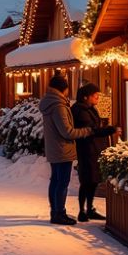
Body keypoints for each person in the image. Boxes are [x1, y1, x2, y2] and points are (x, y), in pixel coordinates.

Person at [40, 75, 99, 225]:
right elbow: (67, 132)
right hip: (62, 148)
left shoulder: (51, 102)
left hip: (55, 148)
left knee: (56, 180)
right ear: (63, 89)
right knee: (62, 182)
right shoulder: (58, 106)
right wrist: (87, 131)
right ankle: (59, 213)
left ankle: (56, 211)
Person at [71, 83, 119, 222]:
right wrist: (110, 129)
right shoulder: (80, 111)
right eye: (95, 95)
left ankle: (90, 209)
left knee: (93, 180)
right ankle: (82, 211)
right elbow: (92, 130)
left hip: (94, 149)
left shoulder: (90, 109)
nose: (97, 97)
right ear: (86, 97)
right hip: (87, 149)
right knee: (87, 180)